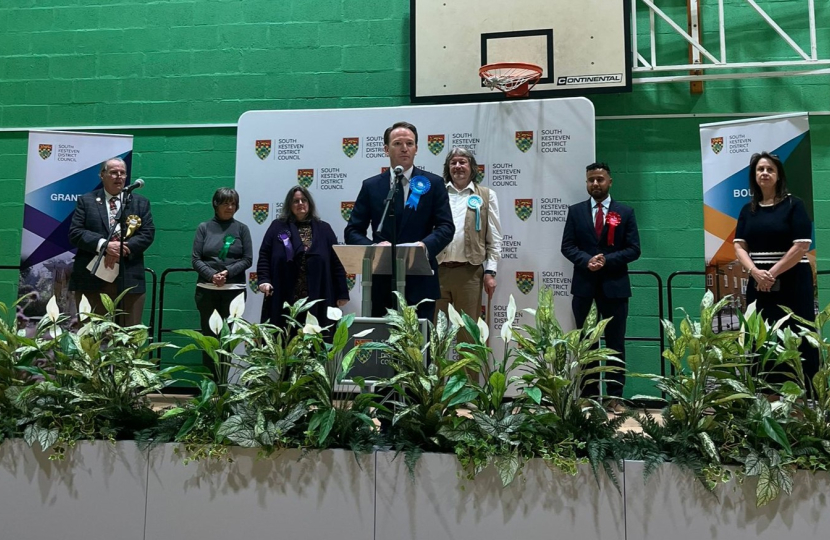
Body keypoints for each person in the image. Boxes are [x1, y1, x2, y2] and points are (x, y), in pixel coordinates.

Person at [344, 121, 454, 320]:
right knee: (382, 346)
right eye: (397, 143)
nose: (404, 148)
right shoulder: (371, 186)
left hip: (421, 282)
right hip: (381, 282)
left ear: (417, 148)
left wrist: (424, 245)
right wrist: (374, 249)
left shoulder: (434, 183)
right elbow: (352, 231)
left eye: (410, 143)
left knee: (419, 348)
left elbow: (446, 227)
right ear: (386, 149)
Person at [561, 162, 641, 413]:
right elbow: (567, 246)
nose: (595, 184)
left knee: (615, 343)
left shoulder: (625, 212)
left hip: (615, 287)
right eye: (590, 180)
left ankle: (615, 397)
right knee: (587, 343)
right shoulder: (575, 212)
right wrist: (587, 261)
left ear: (610, 182)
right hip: (584, 287)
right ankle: (588, 395)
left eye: (599, 179)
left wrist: (606, 260)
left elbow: (634, 249)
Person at [733, 151, 817, 383]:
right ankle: (766, 396)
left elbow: (801, 245)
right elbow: (740, 247)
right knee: (761, 337)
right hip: (759, 285)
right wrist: (755, 273)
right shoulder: (747, 210)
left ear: (779, 175)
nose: (765, 173)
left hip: (793, 283)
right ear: (754, 176)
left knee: (797, 335)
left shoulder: (794, 205)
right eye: (760, 169)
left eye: (770, 169)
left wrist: (772, 273)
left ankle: (801, 400)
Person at [69, 157, 155, 326]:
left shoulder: (140, 202)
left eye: (122, 173)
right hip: (91, 279)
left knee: (129, 337)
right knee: (91, 336)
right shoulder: (86, 201)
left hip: (129, 278)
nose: (119, 177)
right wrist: (105, 245)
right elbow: (75, 233)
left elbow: (147, 234)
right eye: (114, 172)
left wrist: (120, 249)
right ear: (102, 175)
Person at [258, 185, 349, 329]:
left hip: (318, 292)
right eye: (296, 201)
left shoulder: (324, 229)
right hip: (285, 292)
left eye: (303, 200)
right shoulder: (277, 227)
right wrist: (264, 280)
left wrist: (342, 292)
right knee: (284, 335)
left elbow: (336, 262)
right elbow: (264, 254)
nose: (300, 204)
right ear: (289, 205)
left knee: (317, 336)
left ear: (309, 203)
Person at [435, 147, 502, 339]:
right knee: (436, 335)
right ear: (448, 168)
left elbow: (494, 237)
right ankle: (436, 371)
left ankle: (469, 372)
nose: (458, 166)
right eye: (453, 163)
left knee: (468, 336)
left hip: (469, 274)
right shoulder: (437, 193)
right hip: (437, 272)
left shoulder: (486, 195)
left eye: (462, 162)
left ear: (472, 167)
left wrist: (490, 272)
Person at [192, 187, 252, 378]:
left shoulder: (242, 229)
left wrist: (227, 273)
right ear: (216, 205)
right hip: (207, 290)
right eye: (225, 203)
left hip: (234, 291)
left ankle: (224, 387)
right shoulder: (204, 227)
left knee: (227, 341)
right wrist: (212, 275)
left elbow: (247, 259)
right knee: (210, 340)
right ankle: (210, 387)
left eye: (233, 203)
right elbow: (196, 259)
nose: (230, 207)